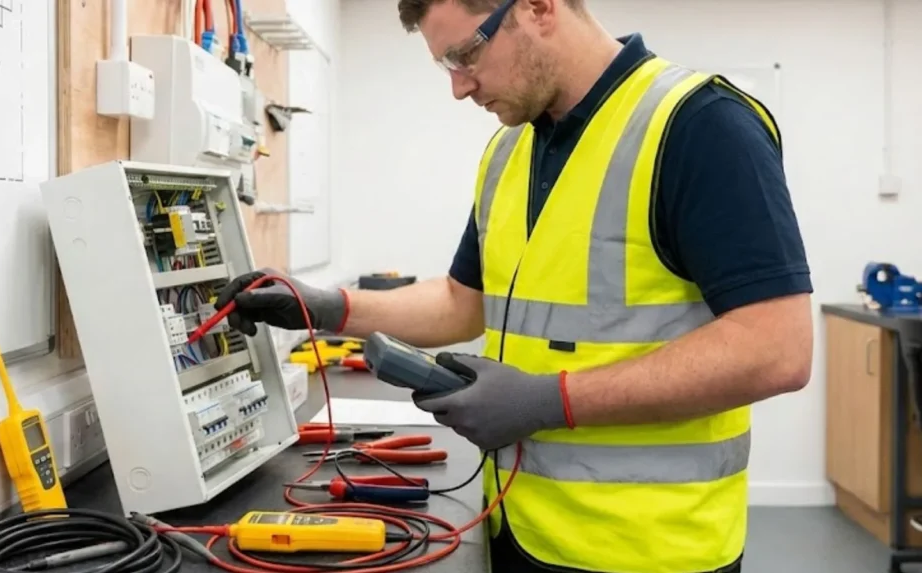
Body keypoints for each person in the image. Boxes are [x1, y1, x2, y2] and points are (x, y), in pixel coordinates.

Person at [213, 0, 814, 571]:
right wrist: (325, 307)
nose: (459, 86)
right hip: (519, 526)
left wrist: (549, 401)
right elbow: (461, 303)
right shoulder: (510, 149)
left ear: (539, 8)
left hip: (648, 550)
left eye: (465, 55)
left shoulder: (700, 127)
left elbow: (776, 349)